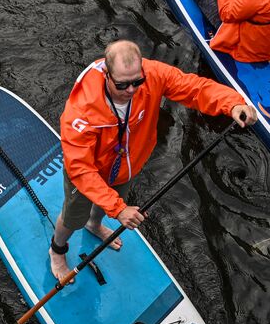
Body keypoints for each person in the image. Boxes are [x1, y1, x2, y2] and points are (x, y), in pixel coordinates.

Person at [49, 39, 258, 278]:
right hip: (89, 175)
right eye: (122, 85)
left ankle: (94, 225)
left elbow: (193, 87)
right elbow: (81, 169)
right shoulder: (81, 112)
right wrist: (119, 210)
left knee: (112, 202)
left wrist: (231, 104)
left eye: (137, 82)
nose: (131, 90)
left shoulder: (151, 73)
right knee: (74, 217)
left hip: (127, 165)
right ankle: (57, 249)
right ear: (107, 74)